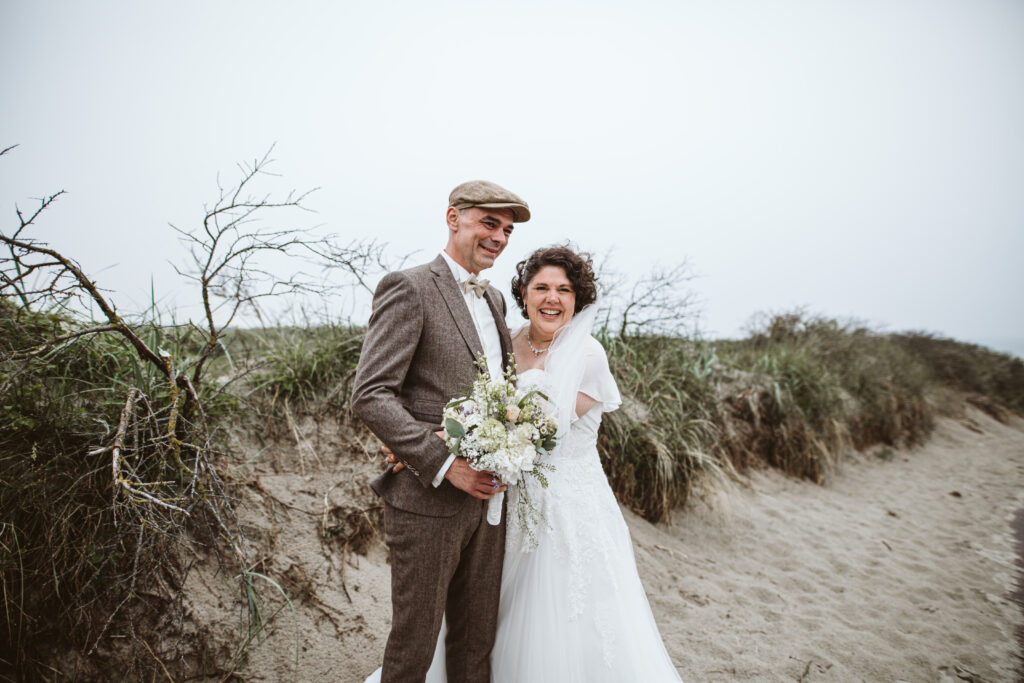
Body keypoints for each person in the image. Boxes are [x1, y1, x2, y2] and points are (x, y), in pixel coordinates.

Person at [382, 246, 683, 681]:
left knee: (556, 619)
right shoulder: (505, 339)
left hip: (565, 510)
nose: (552, 298)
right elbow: (473, 403)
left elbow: (535, 432)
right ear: (523, 293)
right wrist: (419, 437)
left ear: (578, 299)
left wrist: (434, 441)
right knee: (483, 618)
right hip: (501, 503)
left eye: (564, 290)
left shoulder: (588, 357)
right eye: (541, 287)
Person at [351, 180, 530, 683]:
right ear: (453, 219)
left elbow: (497, 388)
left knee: (476, 642)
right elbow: (370, 393)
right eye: (488, 224)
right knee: (415, 643)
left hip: (492, 499)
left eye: (507, 230)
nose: (498, 237)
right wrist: (446, 464)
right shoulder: (409, 286)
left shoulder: (495, 298)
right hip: (428, 499)